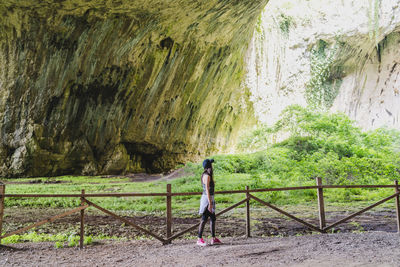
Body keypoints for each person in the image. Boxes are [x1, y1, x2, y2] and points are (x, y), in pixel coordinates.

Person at [197, 158, 222, 246]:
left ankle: (213, 238)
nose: (212, 166)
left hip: (209, 198)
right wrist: (210, 203)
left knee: (212, 218)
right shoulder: (207, 176)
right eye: (211, 165)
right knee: (204, 219)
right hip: (207, 199)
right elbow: (207, 190)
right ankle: (199, 239)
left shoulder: (207, 175)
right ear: (209, 166)